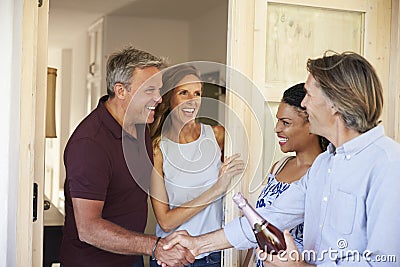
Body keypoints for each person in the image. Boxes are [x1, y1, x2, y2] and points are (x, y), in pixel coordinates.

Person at [161, 51, 400, 266]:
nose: (304, 104)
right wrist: (198, 244)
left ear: (335, 103)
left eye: (308, 95)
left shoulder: (388, 164)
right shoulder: (324, 165)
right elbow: (269, 218)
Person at [60, 47, 195, 267]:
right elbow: (88, 229)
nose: (159, 98)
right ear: (121, 91)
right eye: (149, 90)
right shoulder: (89, 145)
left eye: (159, 89)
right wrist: (154, 246)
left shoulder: (140, 124)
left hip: (131, 258)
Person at [149, 64, 245, 267]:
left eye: (197, 93)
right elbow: (166, 222)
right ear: (169, 98)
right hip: (172, 257)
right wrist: (217, 188)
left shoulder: (218, 136)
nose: (192, 100)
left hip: (212, 257)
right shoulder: (158, 149)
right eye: (184, 93)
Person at [242, 82, 328, 267]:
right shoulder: (279, 167)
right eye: (278, 120)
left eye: (286, 123)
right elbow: (259, 227)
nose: (277, 128)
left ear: (311, 124)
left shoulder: (323, 175)